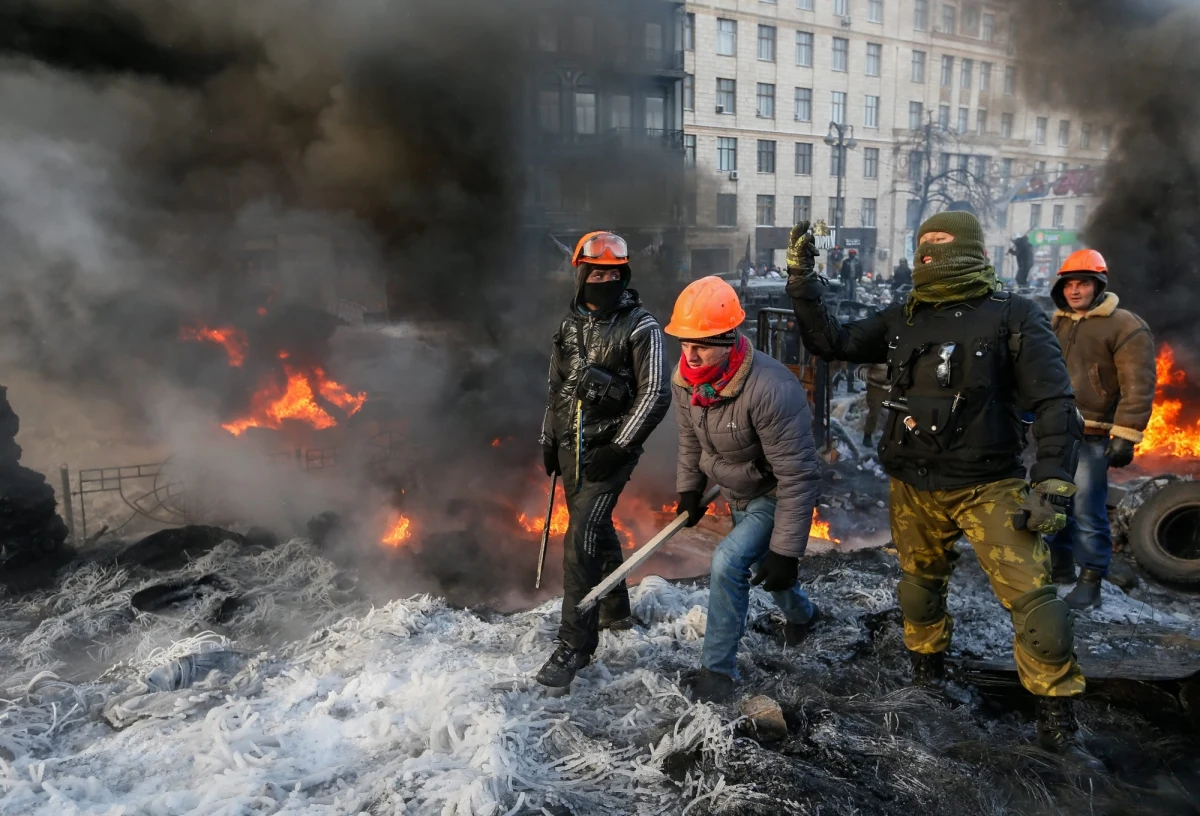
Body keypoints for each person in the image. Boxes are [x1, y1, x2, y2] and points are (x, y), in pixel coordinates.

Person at [785, 213, 1100, 768]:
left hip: (991, 486)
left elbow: (1055, 402)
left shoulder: (1014, 315)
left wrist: (1050, 481)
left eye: (941, 244)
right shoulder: (905, 317)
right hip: (914, 485)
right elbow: (829, 341)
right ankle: (927, 680)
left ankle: (1058, 720)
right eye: (925, 244)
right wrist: (803, 281)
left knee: (1038, 608)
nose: (932, 254)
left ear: (970, 249)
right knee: (918, 591)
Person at [665, 276, 822, 703]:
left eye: (702, 345)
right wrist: (690, 490)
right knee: (766, 572)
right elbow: (690, 440)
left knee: (728, 563)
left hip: (774, 492)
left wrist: (787, 551)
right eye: (684, 343)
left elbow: (798, 476)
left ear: (730, 337)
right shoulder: (686, 380)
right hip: (737, 490)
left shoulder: (771, 388)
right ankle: (803, 617)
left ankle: (718, 672)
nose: (691, 356)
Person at [538, 230, 671, 692]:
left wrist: (619, 446)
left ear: (624, 275)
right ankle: (615, 610)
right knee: (594, 524)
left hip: (611, 451)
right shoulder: (569, 326)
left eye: (613, 273)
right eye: (596, 272)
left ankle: (575, 644)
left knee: (581, 538)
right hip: (571, 449)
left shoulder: (642, 327)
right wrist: (548, 438)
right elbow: (556, 388)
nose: (604, 280)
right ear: (581, 275)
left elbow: (655, 393)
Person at [1046, 249, 1155, 609]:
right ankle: (1059, 568)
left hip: (1092, 435)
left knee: (1087, 509)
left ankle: (1091, 578)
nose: (1075, 291)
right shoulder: (1057, 322)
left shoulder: (1125, 325)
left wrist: (1126, 434)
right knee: (1054, 501)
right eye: (1069, 284)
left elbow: (1138, 385)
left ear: (1099, 285)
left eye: (1083, 284)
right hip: (1055, 430)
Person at [858, 363, 890, 448]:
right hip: (876, 386)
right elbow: (863, 364)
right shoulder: (878, 351)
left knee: (899, 411)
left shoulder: (900, 352)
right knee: (874, 412)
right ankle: (867, 435)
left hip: (893, 386)